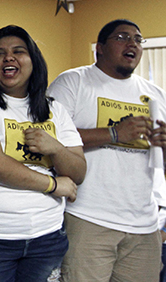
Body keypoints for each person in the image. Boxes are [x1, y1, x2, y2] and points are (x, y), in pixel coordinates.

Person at [0, 25, 86, 282]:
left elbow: (78, 171)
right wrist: (53, 185)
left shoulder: (54, 109)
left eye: (18, 51)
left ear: (33, 61)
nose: (8, 57)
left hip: (47, 237)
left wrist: (54, 147)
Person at [47, 19, 166, 282]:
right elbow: (48, 139)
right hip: (87, 218)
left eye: (138, 39)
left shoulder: (156, 95)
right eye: (123, 37)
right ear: (99, 48)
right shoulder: (74, 82)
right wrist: (113, 133)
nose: (132, 43)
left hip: (143, 225)